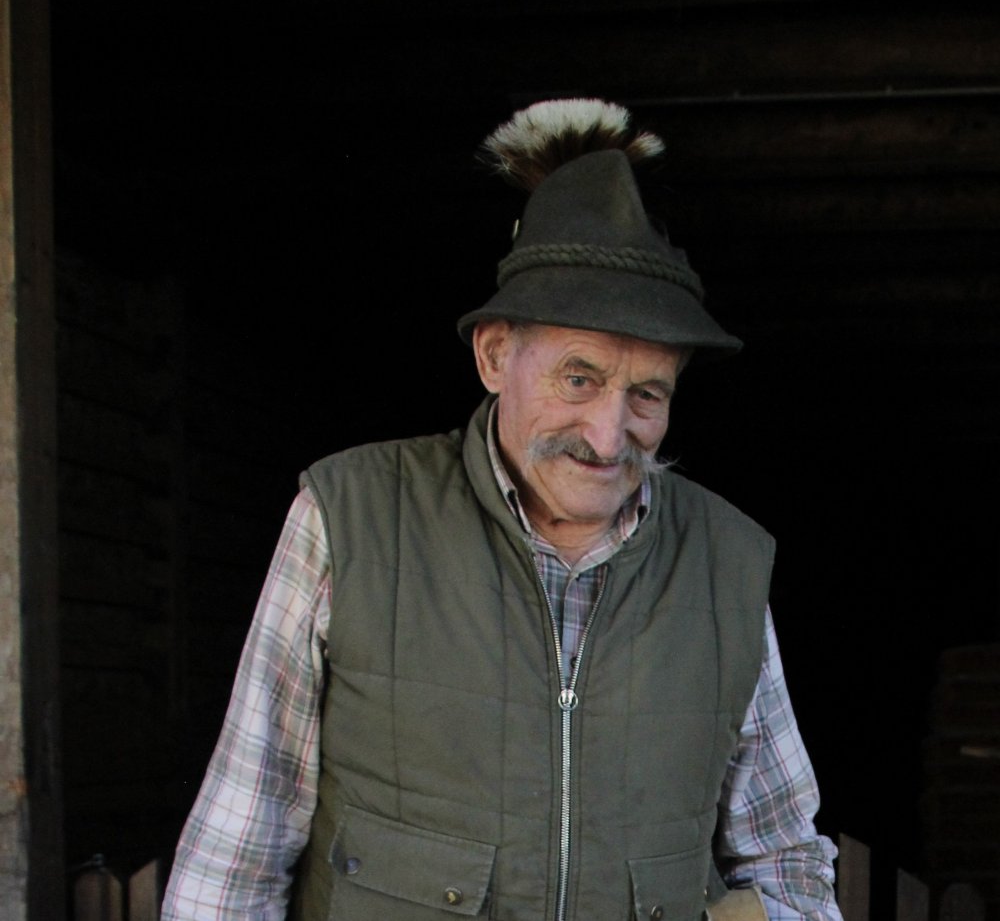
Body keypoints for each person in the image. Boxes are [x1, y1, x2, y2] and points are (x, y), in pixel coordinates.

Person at [161, 98, 842, 921]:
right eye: (579, 377)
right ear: (494, 355)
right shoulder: (350, 517)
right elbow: (236, 855)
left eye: (647, 393)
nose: (608, 434)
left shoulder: (724, 563)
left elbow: (785, 856)